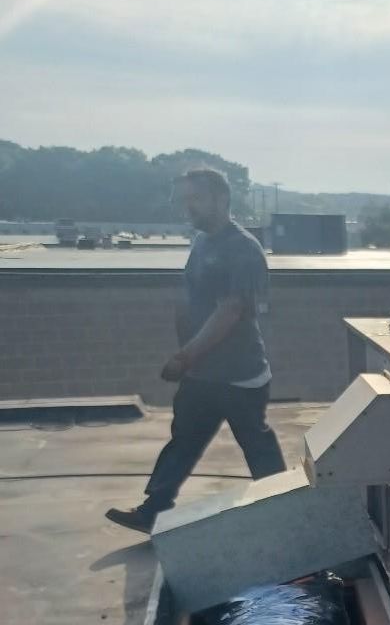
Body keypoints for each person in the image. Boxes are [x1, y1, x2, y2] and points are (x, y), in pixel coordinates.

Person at [106, 167, 286, 534]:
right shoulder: (203, 243)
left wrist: (184, 355)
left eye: (196, 199)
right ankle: (152, 511)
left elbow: (231, 311)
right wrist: (189, 357)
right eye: (184, 199)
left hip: (239, 375)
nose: (187, 207)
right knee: (184, 440)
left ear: (221, 199)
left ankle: (285, 513)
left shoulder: (243, 249)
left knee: (257, 446)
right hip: (202, 372)